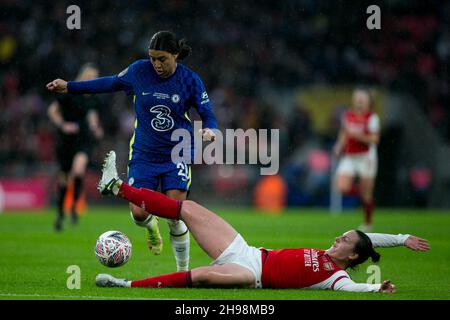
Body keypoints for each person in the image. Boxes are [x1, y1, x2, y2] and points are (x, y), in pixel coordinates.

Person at [95, 151, 429, 292]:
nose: (339, 238)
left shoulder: (335, 276)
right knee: (189, 207)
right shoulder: (334, 254)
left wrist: (375, 287)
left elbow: (355, 288)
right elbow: (368, 240)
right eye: (343, 234)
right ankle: (116, 186)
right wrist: (401, 238)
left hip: (251, 274)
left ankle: (124, 285)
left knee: (201, 278)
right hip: (248, 251)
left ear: (353, 256)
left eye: (345, 240)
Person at [46, 31, 217, 271]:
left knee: (175, 213)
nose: (156, 64)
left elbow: (207, 113)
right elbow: (110, 83)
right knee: (138, 214)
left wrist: (210, 130)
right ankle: (150, 228)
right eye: (152, 58)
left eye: (162, 59)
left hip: (177, 152)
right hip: (144, 153)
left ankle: (182, 272)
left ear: (175, 55)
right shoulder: (139, 71)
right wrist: (70, 87)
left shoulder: (190, 80)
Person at [47, 63, 104, 231]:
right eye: (92, 77)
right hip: (66, 140)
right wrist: (63, 124)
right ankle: (60, 213)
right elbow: (52, 110)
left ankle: (73, 206)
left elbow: (92, 115)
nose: (94, 80)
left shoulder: (92, 97)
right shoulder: (70, 93)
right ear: (84, 76)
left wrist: (95, 127)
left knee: (78, 170)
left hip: (84, 139)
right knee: (64, 178)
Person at [333, 87, 380, 232]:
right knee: (341, 187)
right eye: (357, 98)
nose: (359, 101)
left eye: (362, 99)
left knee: (367, 196)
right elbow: (344, 133)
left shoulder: (372, 118)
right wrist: (339, 145)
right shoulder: (348, 115)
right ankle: (361, 191)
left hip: (366, 157)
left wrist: (357, 135)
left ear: (367, 102)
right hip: (350, 156)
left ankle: (367, 223)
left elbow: (375, 139)